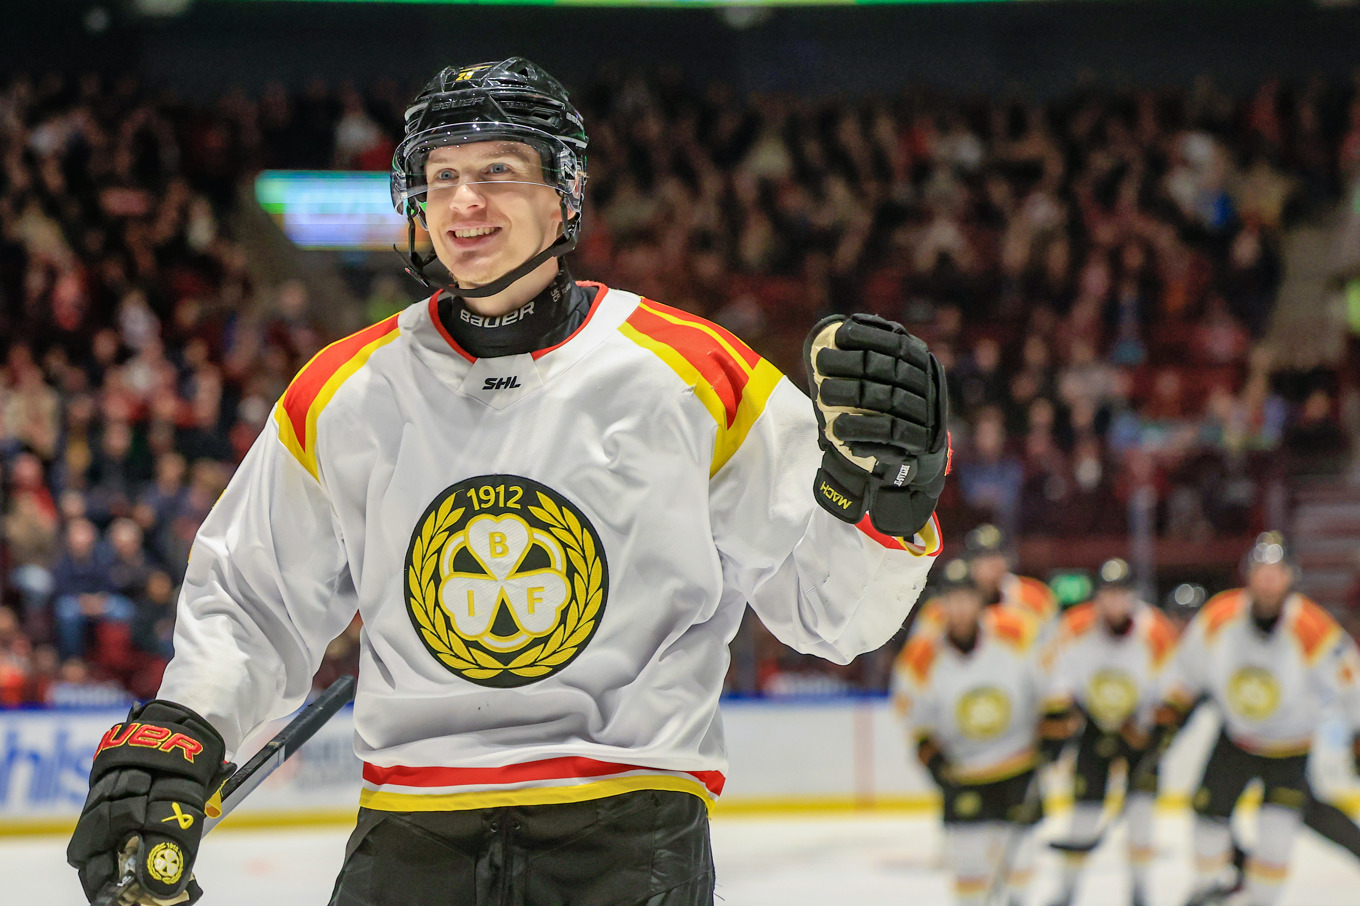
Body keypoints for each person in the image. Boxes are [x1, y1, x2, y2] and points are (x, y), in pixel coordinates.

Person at [66, 58, 950, 906]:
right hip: (408, 840)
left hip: (627, 843)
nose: (464, 201)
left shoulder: (695, 373)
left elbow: (829, 617)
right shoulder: (344, 391)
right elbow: (254, 605)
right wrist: (187, 724)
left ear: (564, 194)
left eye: (498, 169)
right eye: (440, 174)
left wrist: (884, 512)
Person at [1155, 532, 1360, 906]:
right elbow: (1185, 674)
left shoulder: (1312, 628)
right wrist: (1166, 721)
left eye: (1276, 572)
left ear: (1290, 577)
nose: (1268, 580)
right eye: (1260, 571)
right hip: (1237, 739)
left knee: (1276, 834)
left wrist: (1358, 735)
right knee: (1205, 819)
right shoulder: (1219, 616)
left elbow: (1352, 683)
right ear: (1248, 575)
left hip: (1290, 748)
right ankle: (1211, 888)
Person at [891, 559, 1067, 906]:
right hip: (963, 771)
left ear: (979, 601)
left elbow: (1053, 683)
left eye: (966, 598)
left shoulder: (1017, 631)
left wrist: (1055, 731)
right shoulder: (921, 655)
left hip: (1018, 762)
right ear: (940, 605)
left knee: (1020, 859)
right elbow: (914, 718)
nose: (960, 608)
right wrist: (935, 761)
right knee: (968, 862)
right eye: (951, 599)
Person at [1044, 558, 1180, 906]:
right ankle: (1066, 892)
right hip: (1093, 727)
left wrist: (1150, 730)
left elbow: (1170, 689)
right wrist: (1063, 723)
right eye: (1108, 594)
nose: (1115, 602)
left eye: (1122, 594)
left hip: (1140, 731)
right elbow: (1059, 680)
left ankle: (1140, 893)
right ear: (1098, 597)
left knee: (1141, 815)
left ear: (1133, 596)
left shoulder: (1156, 631)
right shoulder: (1075, 626)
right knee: (1084, 813)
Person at [907, 523, 1056, 638]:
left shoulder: (1036, 597)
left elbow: (1055, 646)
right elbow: (917, 657)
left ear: (1008, 560)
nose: (991, 565)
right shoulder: (940, 608)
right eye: (982, 558)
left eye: (997, 556)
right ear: (969, 563)